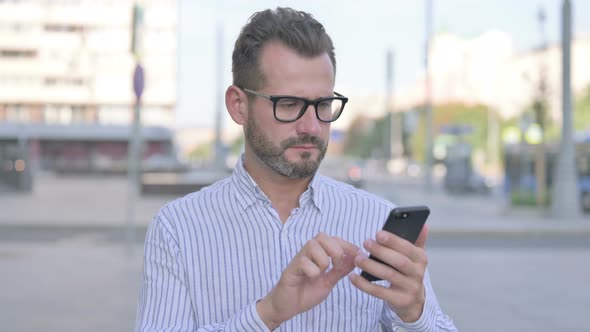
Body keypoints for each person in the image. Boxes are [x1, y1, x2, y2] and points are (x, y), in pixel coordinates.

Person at [135, 7, 457, 332]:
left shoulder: (377, 225)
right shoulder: (177, 230)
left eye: (323, 105)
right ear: (238, 105)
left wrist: (415, 314)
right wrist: (267, 314)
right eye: (289, 105)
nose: (312, 126)